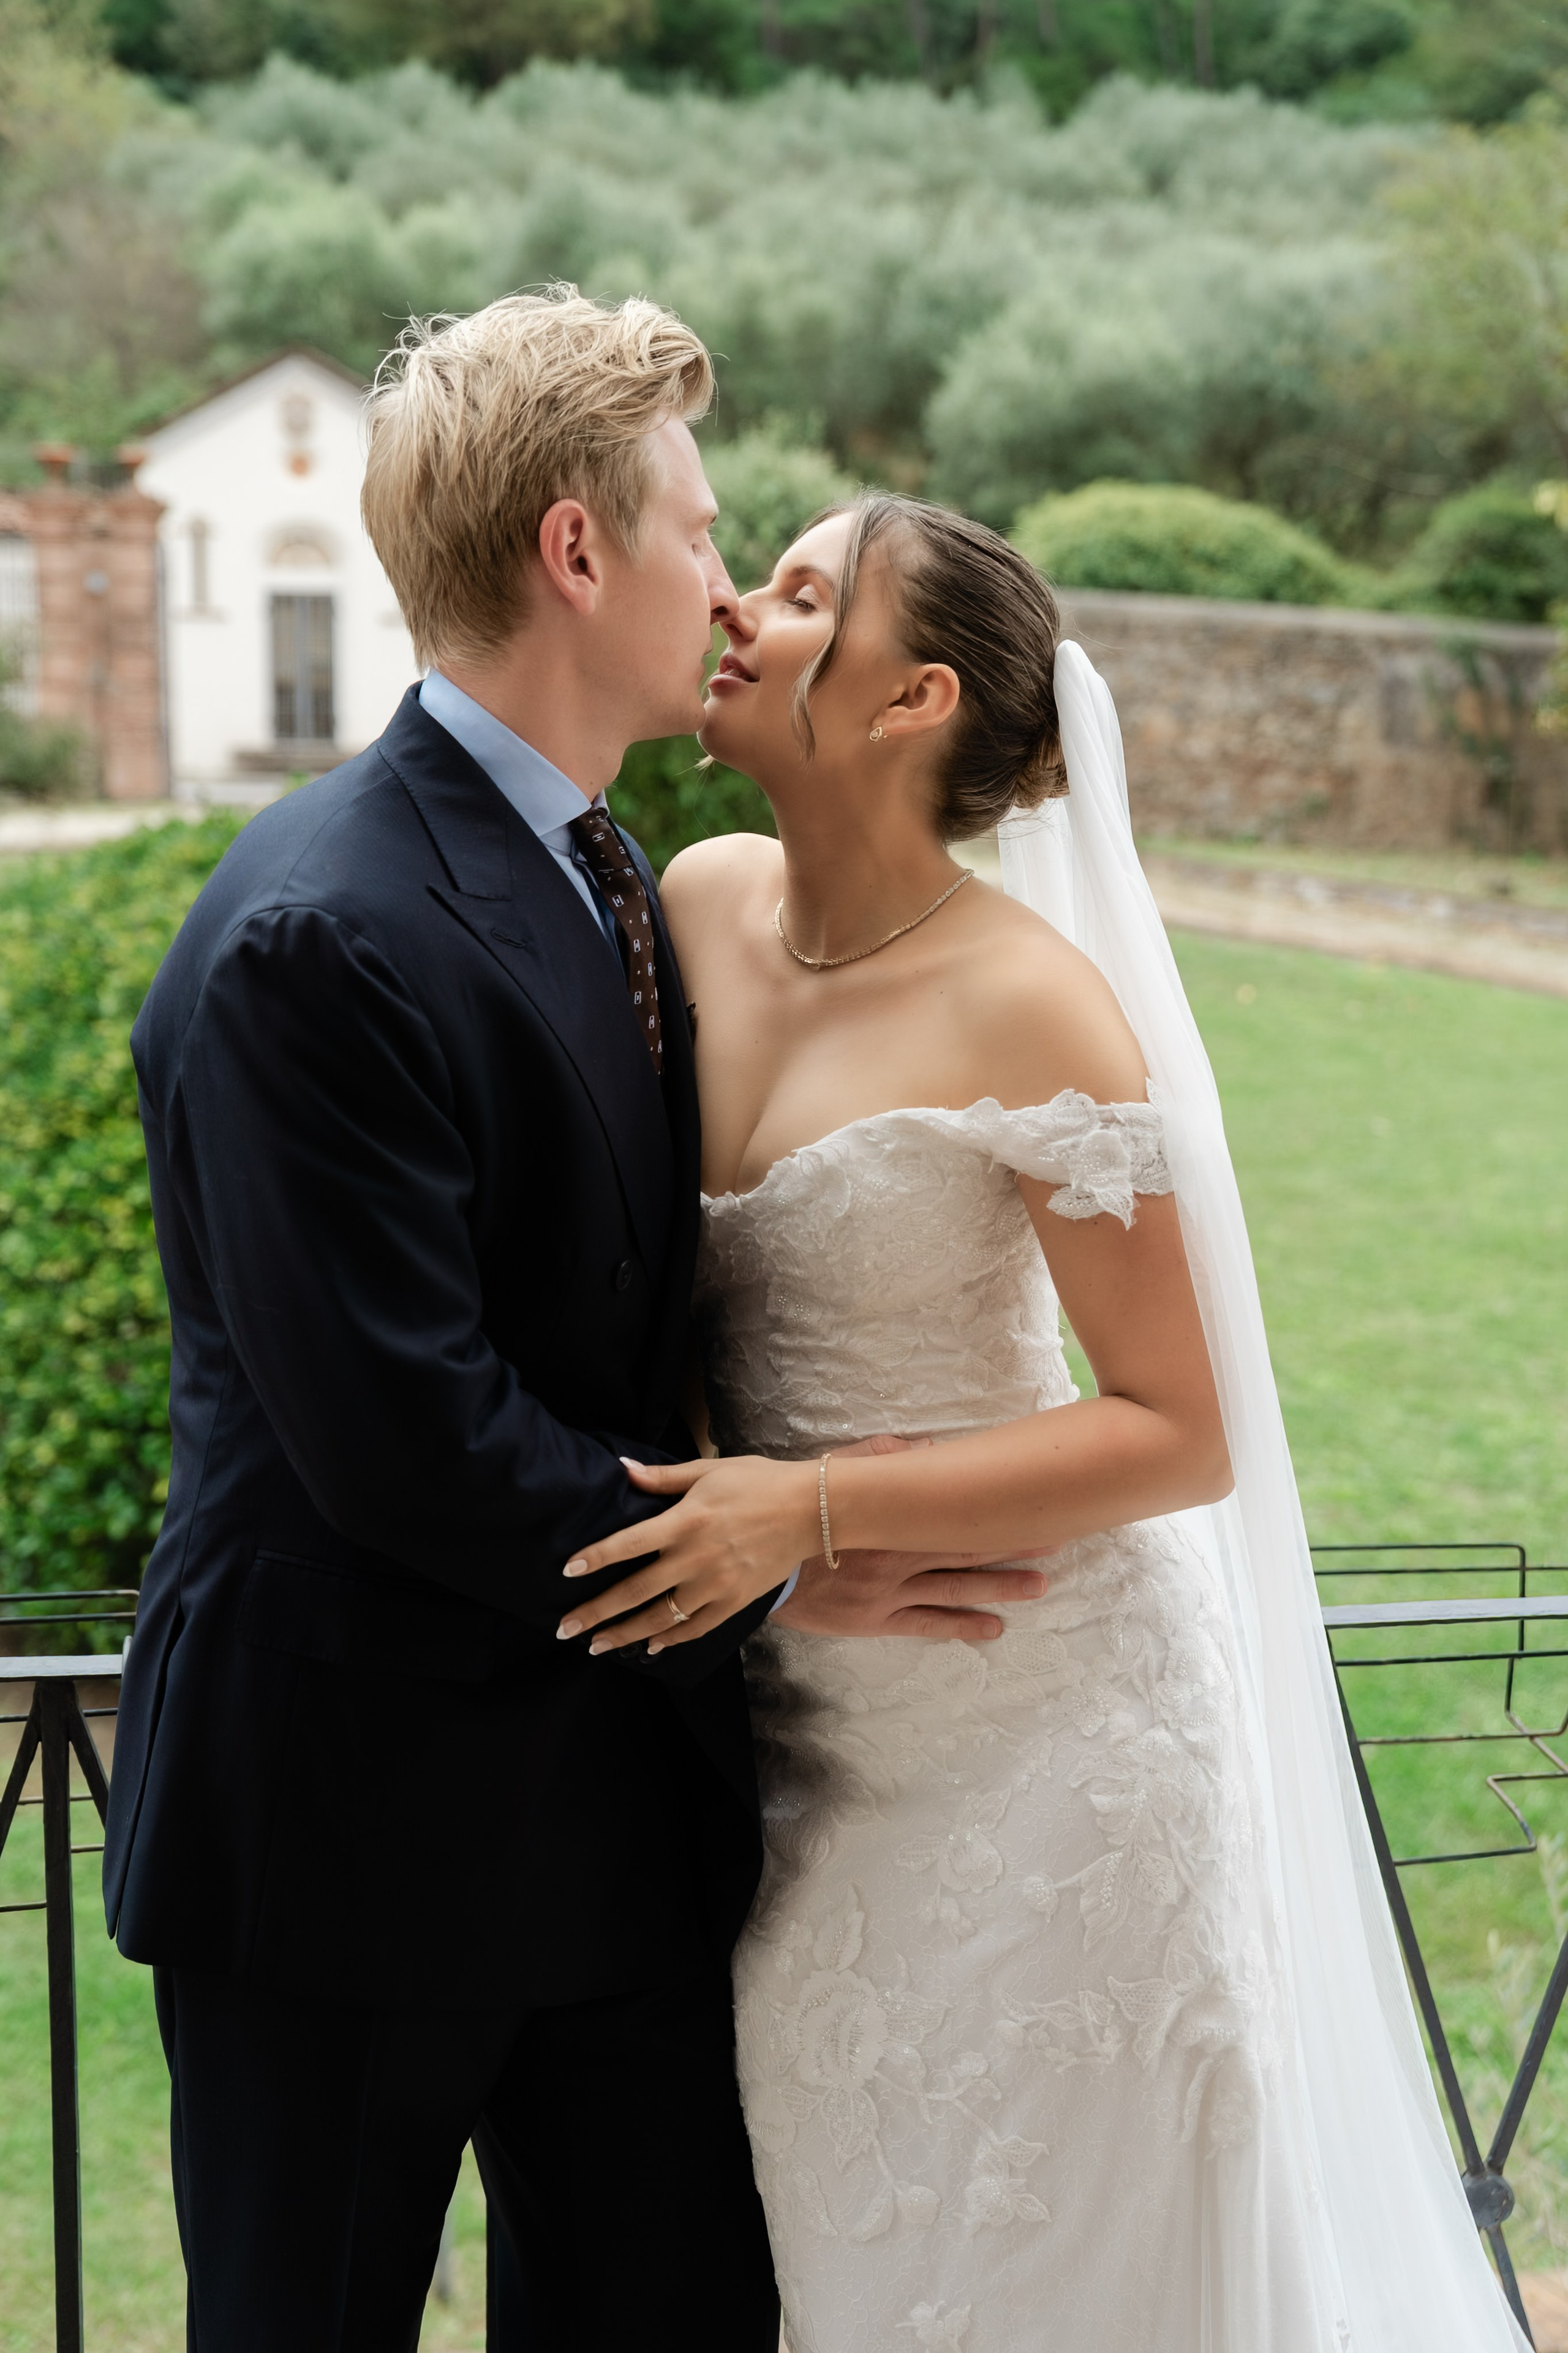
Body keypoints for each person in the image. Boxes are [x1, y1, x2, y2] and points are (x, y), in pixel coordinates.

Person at [101, 293, 1045, 2352]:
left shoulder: (615, 867)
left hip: (607, 1830)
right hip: (340, 1840)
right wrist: (786, 1568)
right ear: (575, 550)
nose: (729, 587)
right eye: (705, 536)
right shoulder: (313, 932)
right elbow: (407, 1435)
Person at [562, 494, 1531, 2351]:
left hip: (1057, 1746)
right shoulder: (689, 903)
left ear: (912, 695)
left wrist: (807, 1511)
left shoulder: (1036, 1004)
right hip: (814, 1758)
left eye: (800, 595)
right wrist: (747, 1537)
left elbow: (1181, 1429)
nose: (740, 611)